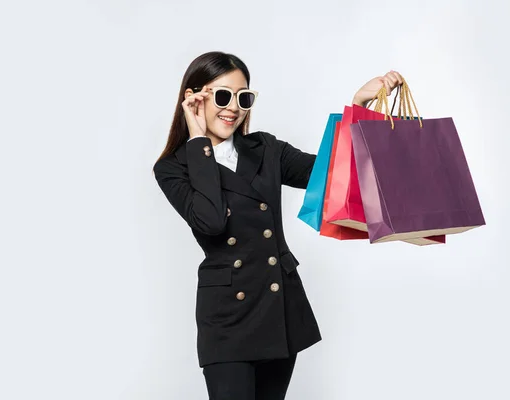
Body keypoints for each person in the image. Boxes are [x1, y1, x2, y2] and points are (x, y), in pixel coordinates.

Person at [153, 51, 402, 400]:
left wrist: (359, 105)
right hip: (227, 319)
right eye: (222, 96)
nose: (233, 108)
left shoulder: (265, 148)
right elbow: (209, 221)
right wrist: (198, 142)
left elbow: (330, 174)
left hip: (277, 308)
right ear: (195, 98)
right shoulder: (173, 168)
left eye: (243, 98)